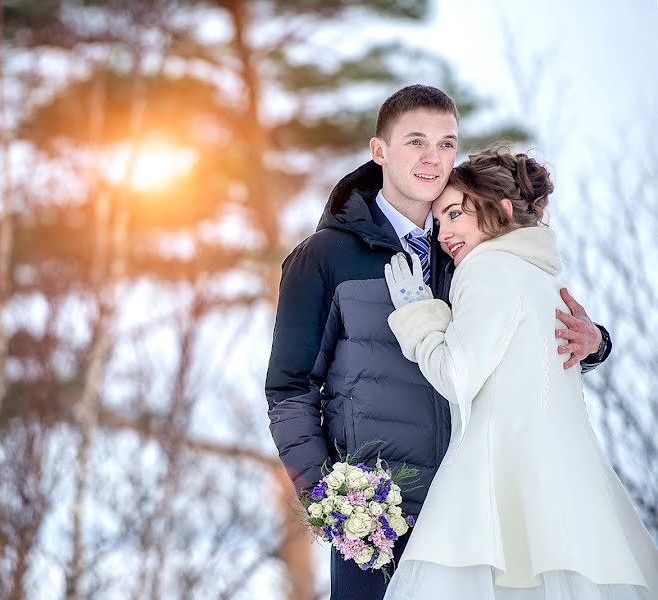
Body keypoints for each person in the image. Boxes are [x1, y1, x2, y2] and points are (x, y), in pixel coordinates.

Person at [264, 85, 613, 600]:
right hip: (378, 518)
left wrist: (595, 343)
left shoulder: (470, 245)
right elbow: (289, 390)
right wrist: (331, 502)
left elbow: (516, 339)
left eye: (447, 143)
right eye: (416, 142)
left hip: (476, 510)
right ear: (380, 151)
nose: (434, 158)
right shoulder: (324, 258)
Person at [381, 148, 658, 599]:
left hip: (494, 479)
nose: (444, 235)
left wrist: (418, 315)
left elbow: (456, 376)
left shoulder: (484, 267)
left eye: (454, 215)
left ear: (502, 210)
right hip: (564, 487)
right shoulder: (542, 277)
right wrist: (600, 344)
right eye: (438, 223)